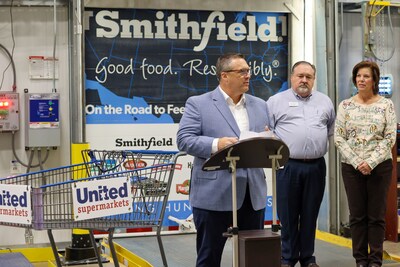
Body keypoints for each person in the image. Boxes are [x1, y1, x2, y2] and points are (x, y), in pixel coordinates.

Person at [176, 53, 270, 267]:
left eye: (248, 71)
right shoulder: (198, 104)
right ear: (224, 76)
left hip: (251, 195)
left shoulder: (260, 105)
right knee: (209, 258)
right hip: (213, 195)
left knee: (253, 258)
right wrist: (216, 144)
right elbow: (184, 140)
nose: (248, 76)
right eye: (242, 72)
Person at [266, 61, 335, 267]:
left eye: (309, 76)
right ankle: (287, 258)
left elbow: (330, 129)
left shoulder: (325, 102)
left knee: (309, 214)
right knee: (287, 215)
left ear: (314, 79)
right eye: (300, 76)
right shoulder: (275, 101)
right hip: (287, 166)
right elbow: (267, 131)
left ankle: (307, 257)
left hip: (316, 166)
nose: (304, 80)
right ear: (292, 77)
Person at [334, 61, 397, 267]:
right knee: (357, 215)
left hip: (380, 167)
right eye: (358, 76)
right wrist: (357, 162)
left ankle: (375, 259)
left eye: (366, 76)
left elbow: (389, 138)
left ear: (374, 80)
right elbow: (338, 138)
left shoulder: (386, 105)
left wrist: (370, 162)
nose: (361, 80)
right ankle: (360, 259)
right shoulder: (345, 106)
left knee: (376, 216)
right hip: (351, 168)